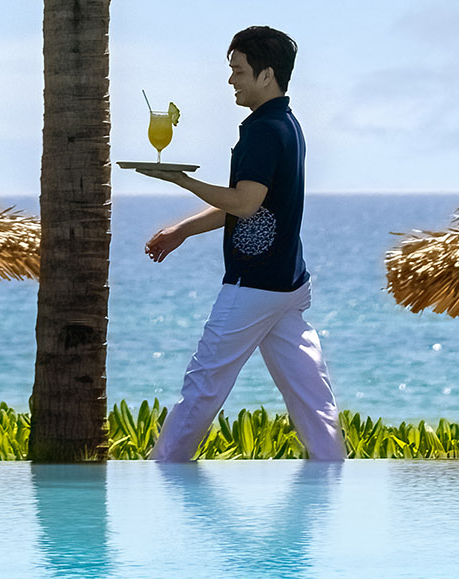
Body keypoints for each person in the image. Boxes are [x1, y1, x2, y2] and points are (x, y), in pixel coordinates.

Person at [143, 25, 344, 463]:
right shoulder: (286, 125)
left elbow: (246, 203)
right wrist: (183, 230)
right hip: (287, 286)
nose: (231, 80)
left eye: (238, 70)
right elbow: (249, 203)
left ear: (266, 74)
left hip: (252, 287)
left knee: (203, 386)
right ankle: (333, 475)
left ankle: (163, 474)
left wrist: (182, 180)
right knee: (312, 396)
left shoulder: (262, 131)